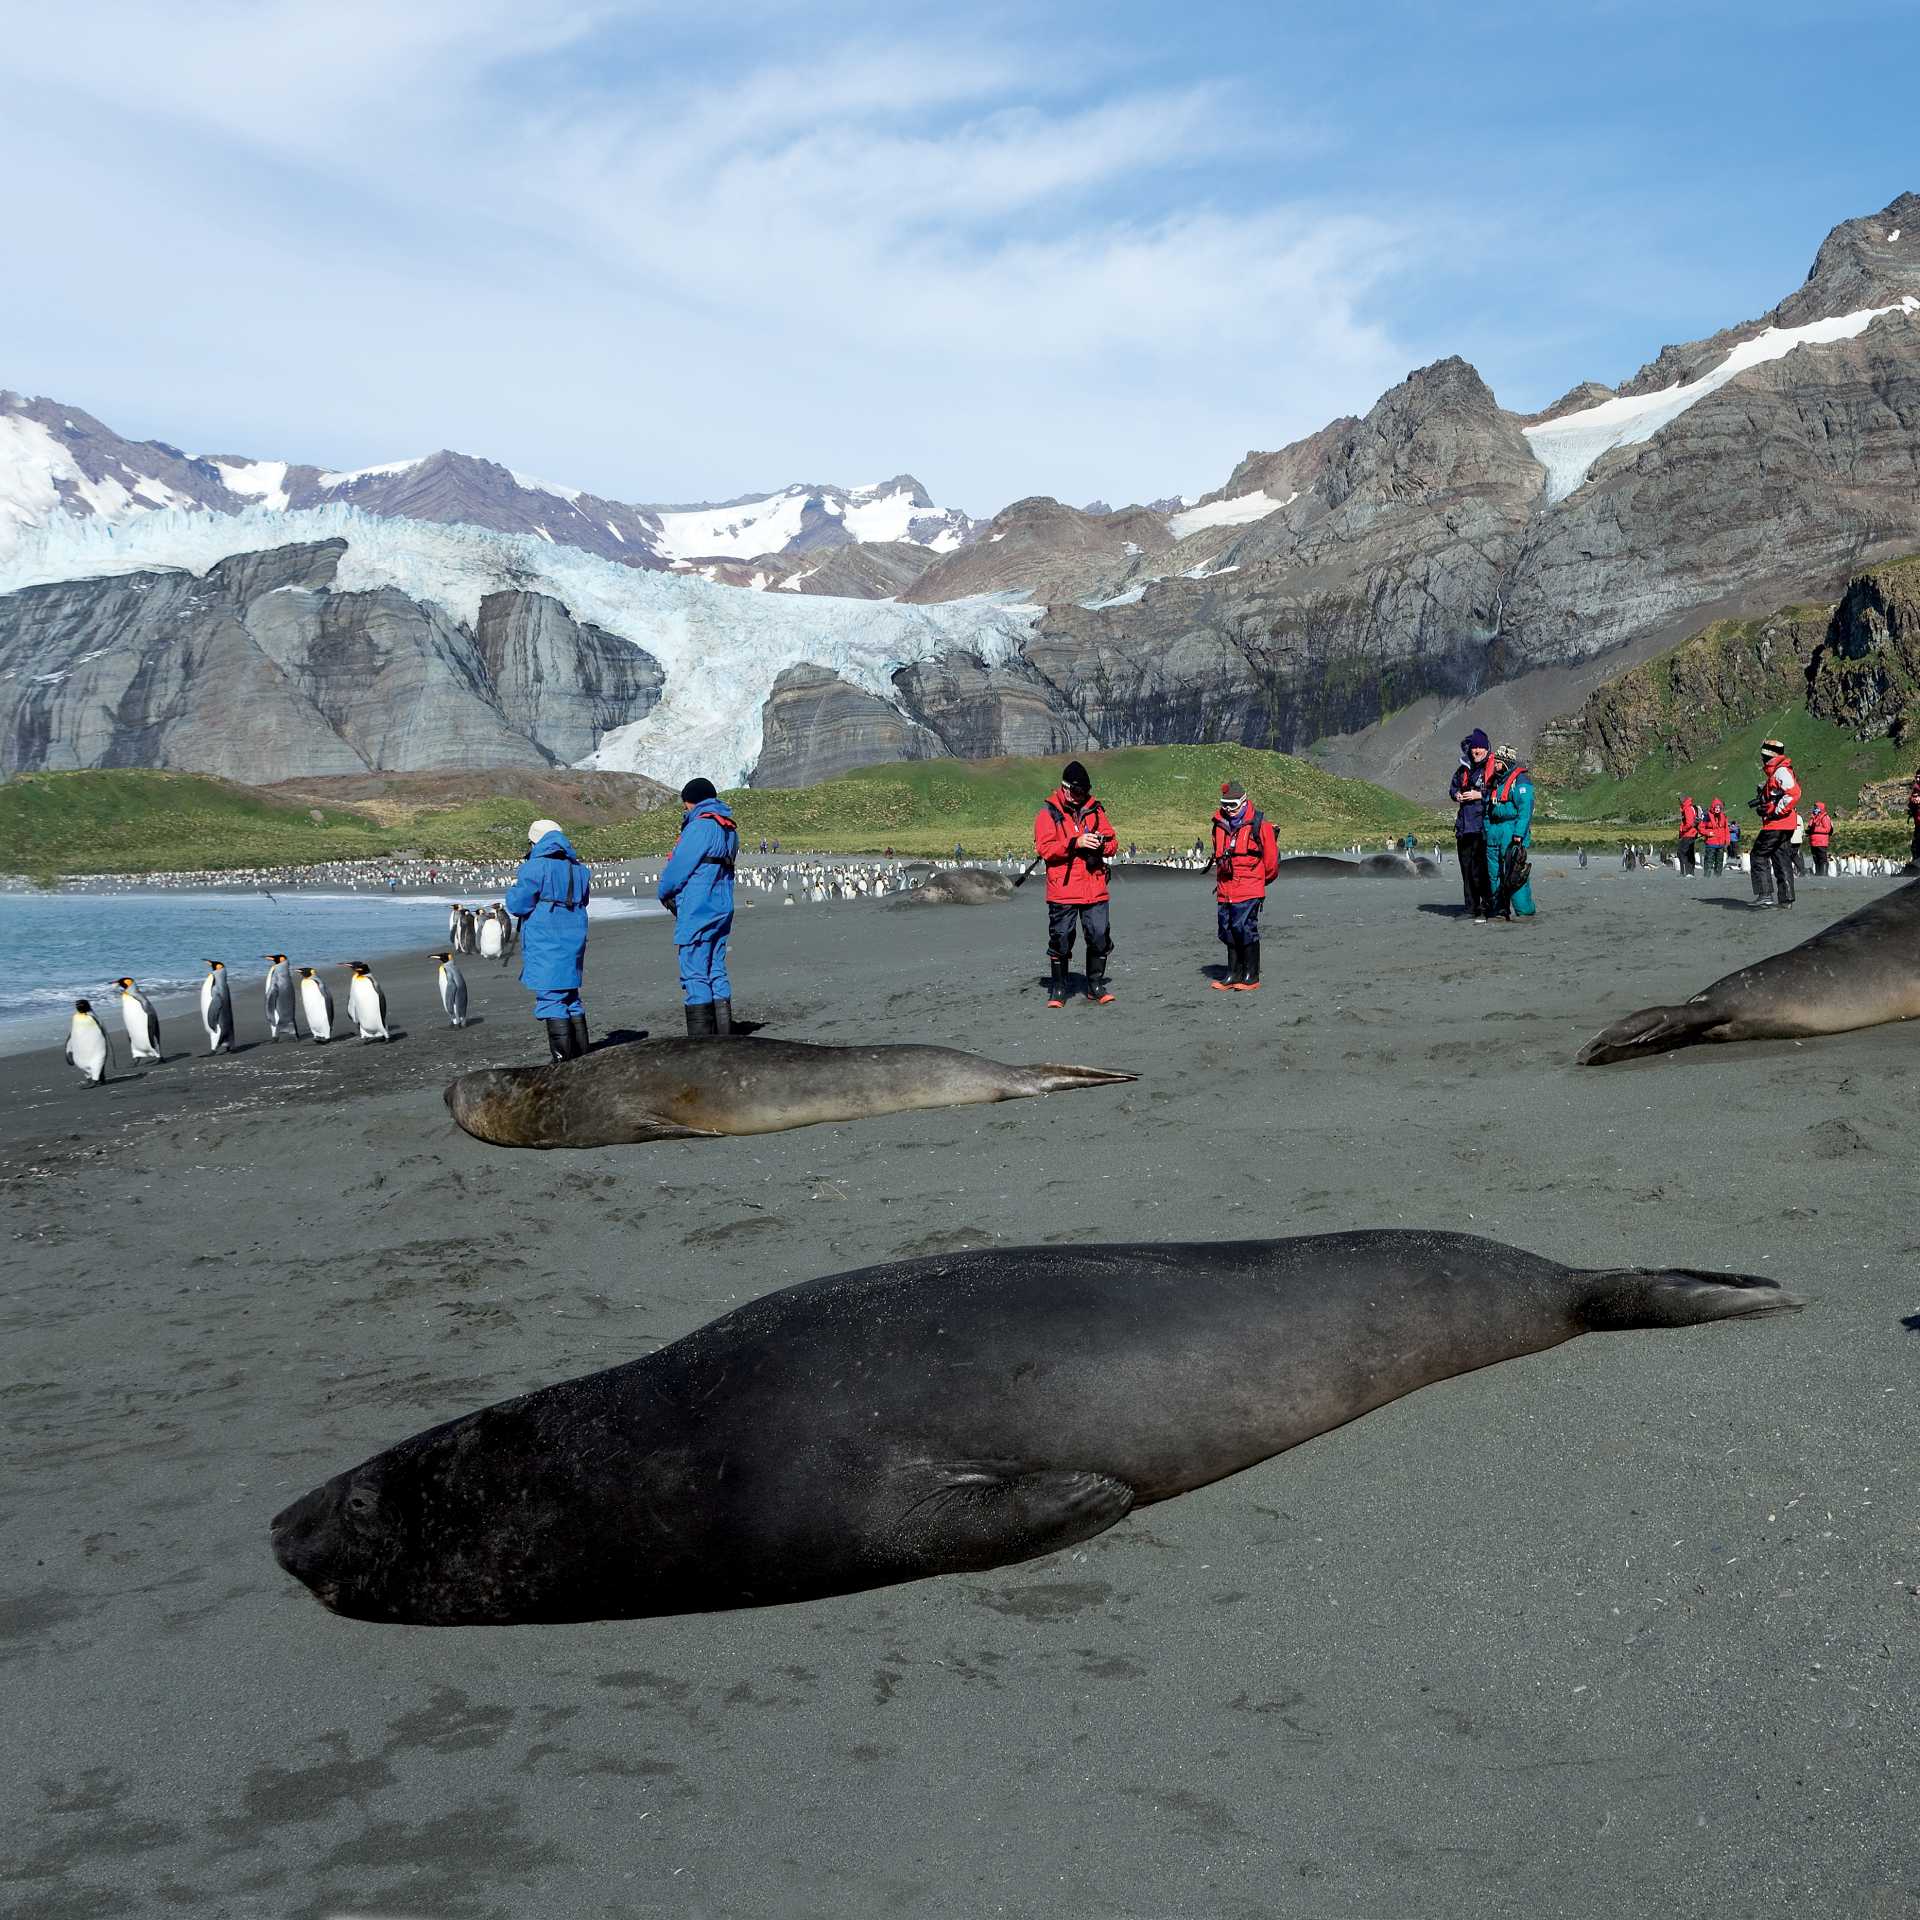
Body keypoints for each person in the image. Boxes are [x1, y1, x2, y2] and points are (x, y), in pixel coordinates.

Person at [505, 817, 592, 1061]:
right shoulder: (578, 868)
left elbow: (517, 904)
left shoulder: (535, 867)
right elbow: (584, 900)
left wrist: (513, 890)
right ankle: (584, 1058)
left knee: (551, 998)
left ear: (535, 842)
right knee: (571, 997)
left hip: (546, 939)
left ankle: (563, 1063)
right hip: (574, 937)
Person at [658, 777, 739, 1035]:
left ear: (692, 801)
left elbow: (677, 869)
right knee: (716, 970)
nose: (685, 809)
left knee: (694, 974)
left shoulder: (699, 828)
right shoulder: (729, 829)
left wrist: (664, 892)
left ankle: (701, 1046)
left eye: (685, 804)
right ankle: (724, 1039)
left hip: (697, 908)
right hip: (721, 907)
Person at [1034, 759, 1118, 1006]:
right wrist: (1075, 843)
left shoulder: (1096, 810)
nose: (1082, 797)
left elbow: (1114, 843)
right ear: (1066, 787)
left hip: (1094, 885)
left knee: (1100, 935)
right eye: (1077, 792)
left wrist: (1102, 844)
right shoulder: (1048, 813)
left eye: (1085, 792)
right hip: (1063, 888)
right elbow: (1045, 849)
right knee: (1061, 938)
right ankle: (1059, 988)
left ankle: (1095, 984)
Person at [1209, 780, 1280, 991]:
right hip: (1225, 888)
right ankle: (1233, 973)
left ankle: (1251, 974)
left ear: (1243, 801)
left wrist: (1257, 883)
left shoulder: (1261, 826)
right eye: (1224, 804)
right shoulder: (1218, 825)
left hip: (1249, 887)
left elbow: (1271, 863)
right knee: (1227, 929)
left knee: (1244, 928)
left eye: (1232, 805)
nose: (1228, 809)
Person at [1483, 743, 1536, 919]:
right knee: (1494, 874)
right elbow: (1486, 809)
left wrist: (1519, 834)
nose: (1495, 765)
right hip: (1494, 833)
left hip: (1511, 832)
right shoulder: (1495, 782)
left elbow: (1525, 809)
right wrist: (1487, 829)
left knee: (1514, 873)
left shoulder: (1521, 782)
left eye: (1498, 762)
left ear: (1506, 761)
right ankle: (1499, 909)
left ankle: (1524, 911)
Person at [1449, 729, 1496, 923]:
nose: (1476, 751)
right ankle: (1470, 907)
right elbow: (1452, 787)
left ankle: (1487, 907)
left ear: (1486, 748)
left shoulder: (1492, 768)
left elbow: (1497, 791)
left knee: (1481, 870)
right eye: (1474, 747)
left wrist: (1480, 795)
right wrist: (1457, 795)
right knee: (1466, 870)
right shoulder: (1464, 768)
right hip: (1464, 827)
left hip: (1481, 827)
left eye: (1480, 747)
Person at [1749, 738, 1799, 909]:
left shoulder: (1780, 771)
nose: (1762, 759)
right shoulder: (1778, 772)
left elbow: (1794, 793)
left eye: (1763, 755)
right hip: (1786, 824)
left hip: (1777, 824)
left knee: (1758, 855)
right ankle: (1786, 899)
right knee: (1781, 857)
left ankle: (1765, 895)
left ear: (1769, 756)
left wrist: (1774, 810)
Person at [1703, 796, 1730, 876]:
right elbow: (1701, 828)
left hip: (1721, 844)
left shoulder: (1723, 816)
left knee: (1719, 861)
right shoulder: (1707, 816)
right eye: (1716, 807)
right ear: (1713, 807)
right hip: (1711, 843)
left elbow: (1726, 829)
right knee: (1709, 861)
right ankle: (1706, 877)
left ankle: (1718, 877)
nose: (1717, 809)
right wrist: (1708, 833)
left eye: (1719, 807)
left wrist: (1727, 840)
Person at [1807, 801, 1833, 877]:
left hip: (1821, 842)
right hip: (1813, 842)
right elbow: (1810, 826)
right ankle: (1818, 874)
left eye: (1816, 807)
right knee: (1816, 860)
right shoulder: (1813, 817)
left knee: (1822, 859)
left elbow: (1827, 829)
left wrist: (1814, 829)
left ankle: (1823, 875)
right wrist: (1808, 830)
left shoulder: (1825, 817)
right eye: (1814, 807)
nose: (1814, 808)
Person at [1676, 796, 1701, 876]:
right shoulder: (1689, 808)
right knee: (1689, 853)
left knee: (1681, 853)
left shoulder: (1687, 809)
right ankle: (1690, 872)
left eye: (1680, 800)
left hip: (1688, 834)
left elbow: (1689, 823)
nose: (1679, 802)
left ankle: (1685, 872)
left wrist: (1683, 829)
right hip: (1692, 834)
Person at [1907, 766, 1920, 866]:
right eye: (1917, 777)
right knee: (1916, 846)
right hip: (1918, 822)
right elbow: (1910, 802)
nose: (1918, 779)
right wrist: (1913, 801)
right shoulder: (1915, 788)